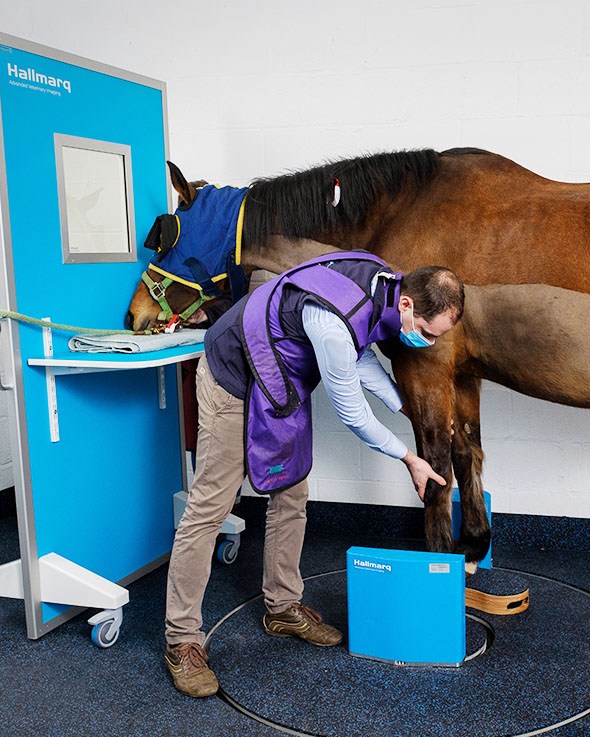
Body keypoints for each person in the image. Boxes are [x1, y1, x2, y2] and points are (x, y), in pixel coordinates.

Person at [164, 251, 465, 698]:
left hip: (279, 378)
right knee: (211, 506)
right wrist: (409, 457)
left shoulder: (381, 287)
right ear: (407, 305)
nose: (425, 342)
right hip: (233, 375)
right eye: (424, 332)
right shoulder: (335, 323)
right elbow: (351, 410)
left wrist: (411, 413)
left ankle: (282, 607)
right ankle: (181, 639)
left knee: (292, 496)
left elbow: (362, 361)